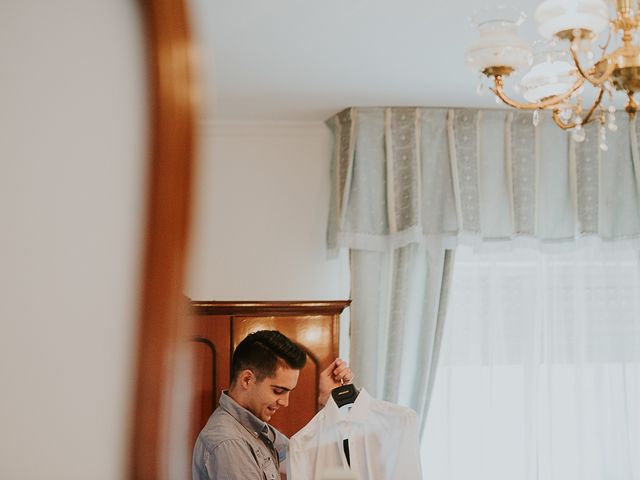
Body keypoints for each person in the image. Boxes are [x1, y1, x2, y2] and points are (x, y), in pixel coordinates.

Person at [192, 329, 353, 480]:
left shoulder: (256, 428)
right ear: (247, 379)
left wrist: (328, 401)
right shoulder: (229, 443)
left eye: (289, 391)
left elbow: (305, 459)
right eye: (278, 391)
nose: (285, 402)